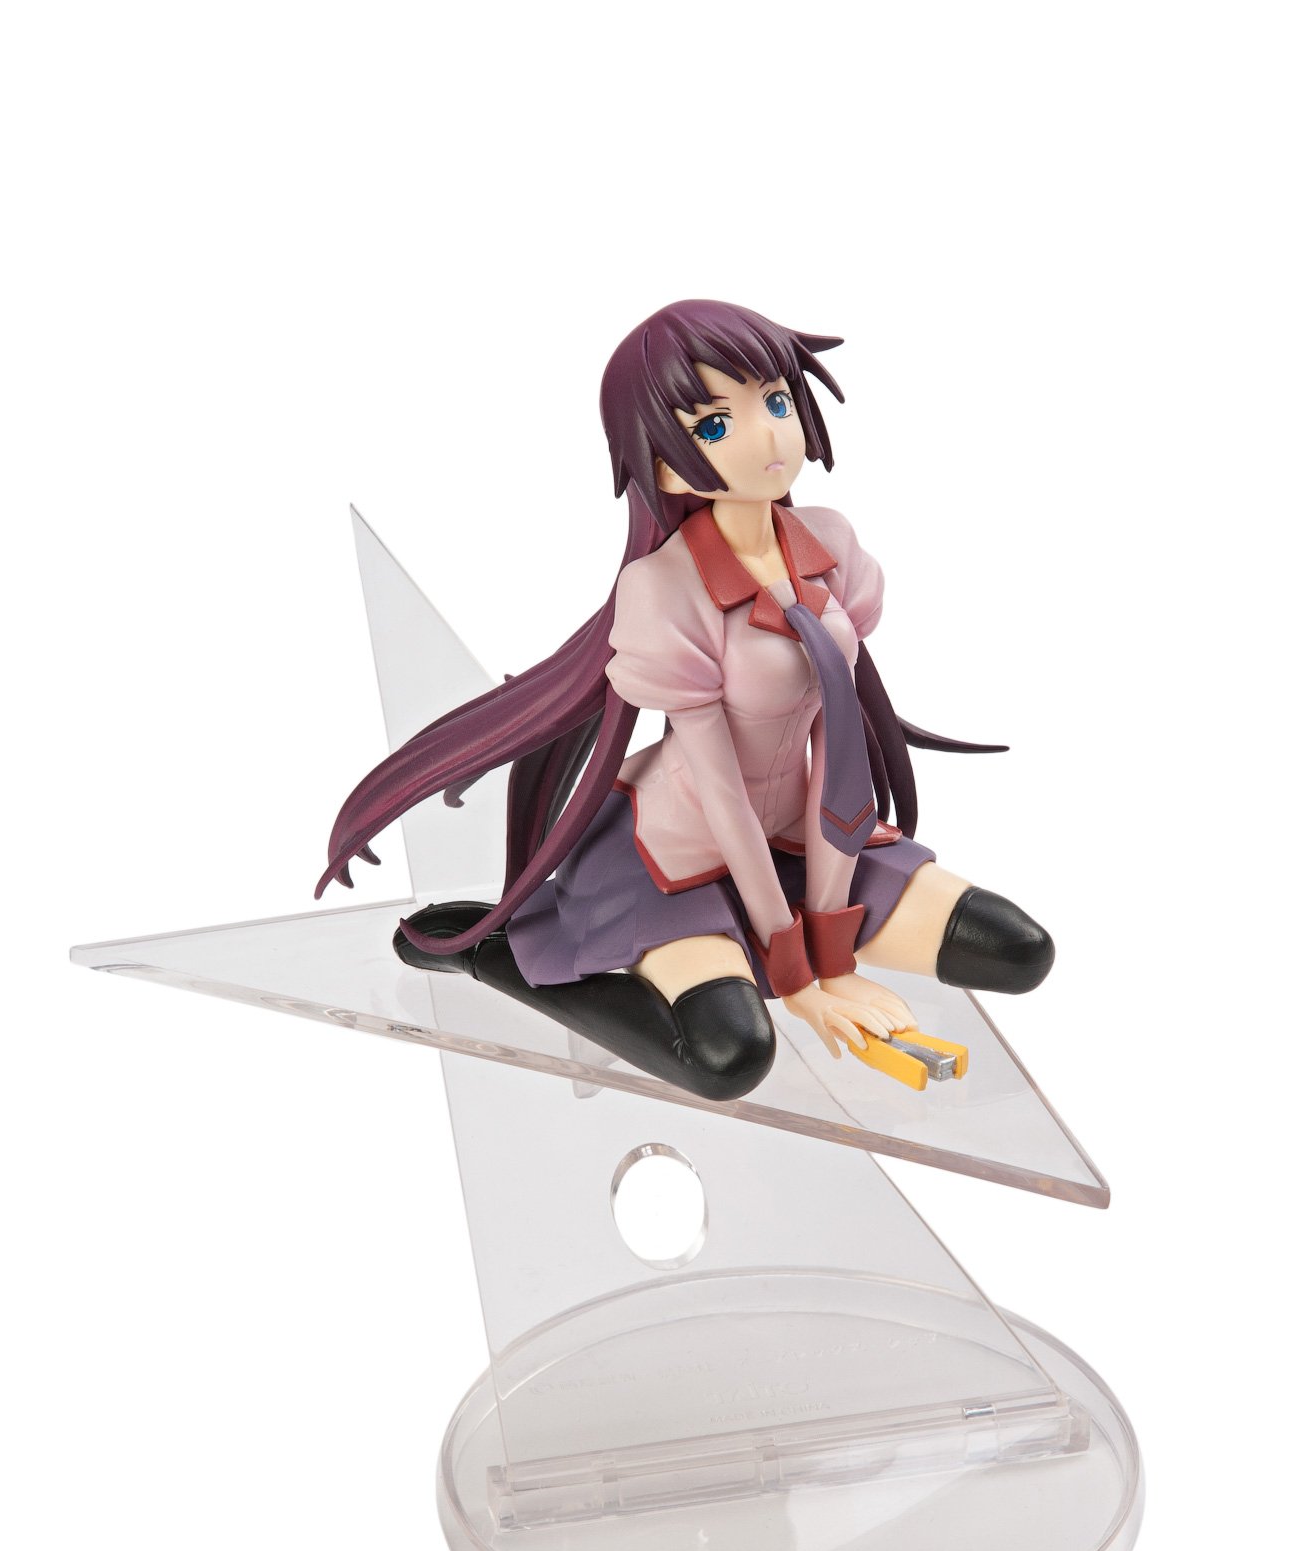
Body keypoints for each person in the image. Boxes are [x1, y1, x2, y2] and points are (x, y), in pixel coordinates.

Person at [316, 300, 1053, 1101]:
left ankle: (787, 937)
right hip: (669, 857)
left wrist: (831, 949)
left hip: (802, 837)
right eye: (716, 425)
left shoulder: (832, 546)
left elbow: (834, 750)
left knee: (1016, 950)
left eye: (775, 402)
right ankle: (492, 953)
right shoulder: (664, 590)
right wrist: (795, 973)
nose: (767, 438)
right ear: (664, 465)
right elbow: (719, 794)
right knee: (729, 1058)